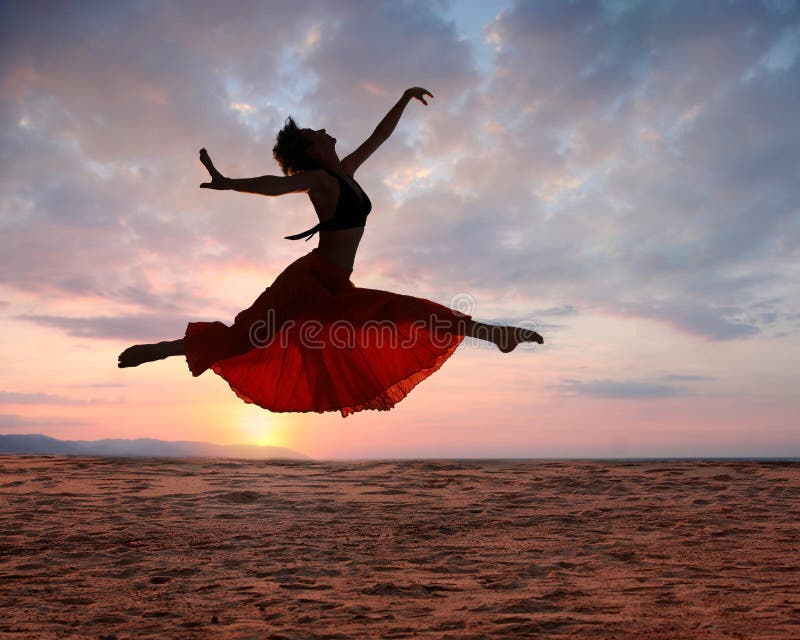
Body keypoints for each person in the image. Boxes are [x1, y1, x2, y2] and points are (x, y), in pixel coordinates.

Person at [118, 87, 543, 416]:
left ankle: (496, 334)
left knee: (401, 312)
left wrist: (403, 99)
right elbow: (276, 186)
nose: (322, 130)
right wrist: (230, 183)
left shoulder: (347, 171)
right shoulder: (321, 180)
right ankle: (157, 350)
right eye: (313, 133)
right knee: (242, 338)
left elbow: (380, 135)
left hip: (335, 285)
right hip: (307, 283)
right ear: (312, 150)